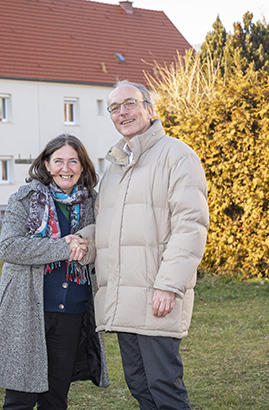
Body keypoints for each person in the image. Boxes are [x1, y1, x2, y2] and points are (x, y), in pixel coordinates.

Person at [79, 80, 209, 410]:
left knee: (163, 386)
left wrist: (169, 285)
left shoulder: (177, 156)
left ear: (150, 109)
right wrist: (85, 242)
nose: (122, 112)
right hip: (124, 297)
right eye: (114, 108)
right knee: (139, 385)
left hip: (156, 295)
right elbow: (113, 226)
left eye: (130, 103)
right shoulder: (115, 166)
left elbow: (190, 227)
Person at [0, 134, 109, 410]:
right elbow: (10, 247)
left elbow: (104, 241)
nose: (66, 168)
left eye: (73, 161)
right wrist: (62, 247)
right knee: (19, 400)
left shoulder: (94, 203)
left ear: (82, 165)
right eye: (59, 161)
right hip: (28, 309)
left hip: (72, 312)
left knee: (56, 399)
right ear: (46, 164)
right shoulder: (25, 199)